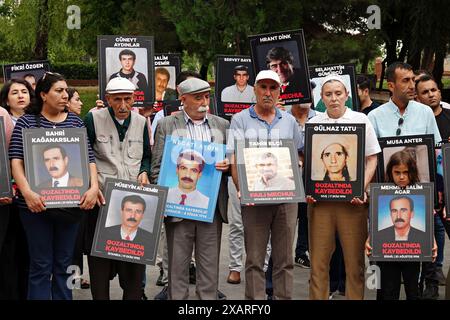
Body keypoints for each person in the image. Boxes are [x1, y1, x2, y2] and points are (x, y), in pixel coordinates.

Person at [9, 72, 99, 300]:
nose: (64, 95)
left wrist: (93, 187)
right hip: (35, 207)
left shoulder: (75, 121)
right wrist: (27, 192)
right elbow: (16, 161)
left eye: (66, 90)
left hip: (71, 206)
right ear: (43, 94)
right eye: (58, 91)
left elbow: (88, 158)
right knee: (40, 264)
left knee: (65, 263)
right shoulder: (26, 122)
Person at [151, 77, 229, 300]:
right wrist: (163, 201)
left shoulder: (222, 125)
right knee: (177, 267)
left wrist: (229, 165)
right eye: (198, 97)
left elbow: (234, 163)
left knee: (209, 267)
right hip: (177, 210)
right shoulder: (167, 124)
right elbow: (157, 167)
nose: (204, 101)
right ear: (183, 100)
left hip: (210, 207)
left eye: (206, 96)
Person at [228, 70, 301, 300]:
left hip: (286, 200)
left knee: (284, 260)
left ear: (280, 92)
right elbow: (234, 159)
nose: (268, 93)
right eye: (263, 87)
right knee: (255, 259)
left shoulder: (289, 120)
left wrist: (297, 164)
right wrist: (242, 190)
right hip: (254, 199)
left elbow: (299, 154)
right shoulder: (240, 119)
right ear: (255, 90)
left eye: (273, 88)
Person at [307, 74, 380, 300]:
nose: (334, 98)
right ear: (322, 98)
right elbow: (308, 161)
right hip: (321, 204)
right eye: (328, 94)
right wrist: (309, 188)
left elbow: (372, 159)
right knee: (318, 264)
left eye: (338, 93)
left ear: (347, 95)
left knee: (355, 264)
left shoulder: (361, 120)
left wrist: (361, 187)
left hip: (353, 202)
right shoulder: (313, 123)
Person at [84, 76, 151, 300]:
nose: (123, 105)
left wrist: (144, 171)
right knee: (100, 266)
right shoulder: (93, 118)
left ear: (134, 98)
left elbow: (147, 158)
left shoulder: (141, 122)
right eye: (117, 100)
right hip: (103, 200)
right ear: (108, 99)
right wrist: (93, 185)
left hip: (132, 200)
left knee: (133, 267)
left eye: (128, 99)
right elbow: (85, 154)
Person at [365, 149, 436, 300]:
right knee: (387, 290)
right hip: (387, 254)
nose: (402, 177)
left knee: (413, 291)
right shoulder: (381, 193)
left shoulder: (422, 193)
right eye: (397, 172)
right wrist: (370, 239)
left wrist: (432, 241)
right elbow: (375, 221)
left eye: (406, 172)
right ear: (391, 172)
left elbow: (428, 222)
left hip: (414, 254)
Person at [415, 74, 448, 298]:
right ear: (418, 97)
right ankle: (430, 282)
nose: (430, 95)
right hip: (425, 187)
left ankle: (438, 270)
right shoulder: (418, 120)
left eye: (433, 90)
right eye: (425, 92)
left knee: (441, 229)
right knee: (427, 234)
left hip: (448, 189)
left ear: (440, 92)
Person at [368, 62, 441, 143]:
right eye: (406, 80)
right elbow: (371, 153)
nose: (412, 86)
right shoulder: (374, 117)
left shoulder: (425, 112)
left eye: (413, 80)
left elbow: (436, 148)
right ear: (391, 86)